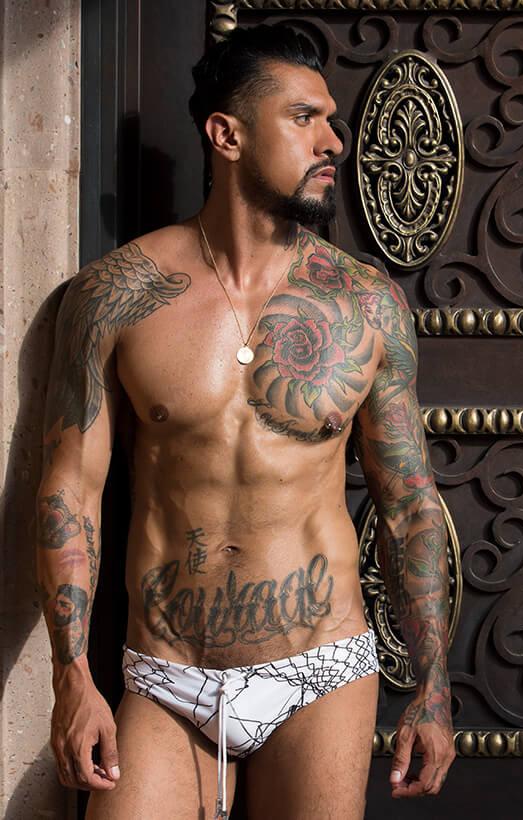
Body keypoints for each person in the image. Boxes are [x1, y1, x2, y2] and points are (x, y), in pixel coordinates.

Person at [36, 24, 455, 820]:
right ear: (226, 135)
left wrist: (434, 685)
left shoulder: (366, 304)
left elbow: (408, 503)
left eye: (331, 120)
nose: (334, 142)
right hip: (165, 677)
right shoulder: (115, 296)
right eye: (304, 118)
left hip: (319, 670)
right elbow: (70, 492)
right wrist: (72, 676)